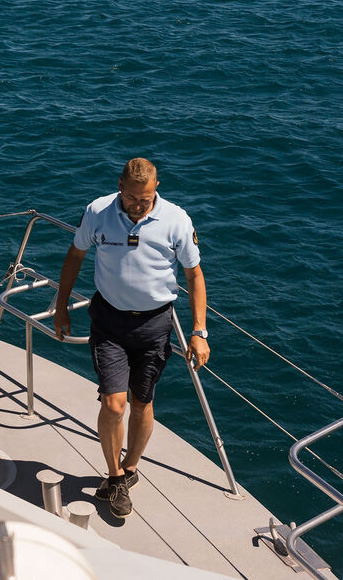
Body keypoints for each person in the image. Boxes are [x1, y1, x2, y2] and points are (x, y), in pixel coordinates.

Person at [52, 157, 209, 519]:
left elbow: (194, 275)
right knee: (113, 404)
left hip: (155, 325)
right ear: (120, 186)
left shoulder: (176, 220)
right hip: (109, 321)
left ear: (157, 190)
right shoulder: (98, 212)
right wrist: (61, 307)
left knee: (141, 403)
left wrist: (199, 332)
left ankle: (130, 467)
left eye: (146, 199)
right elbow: (75, 256)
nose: (139, 205)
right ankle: (115, 477)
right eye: (133, 198)